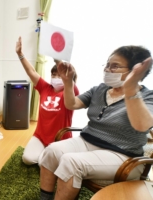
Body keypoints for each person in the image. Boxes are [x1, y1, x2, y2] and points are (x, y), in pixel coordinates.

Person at [39, 45, 153, 200]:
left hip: (122, 154)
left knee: (71, 162)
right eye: (107, 65)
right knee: (51, 151)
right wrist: (68, 82)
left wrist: (131, 89)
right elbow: (72, 104)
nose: (107, 70)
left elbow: (142, 125)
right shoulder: (100, 89)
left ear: (135, 71)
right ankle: (44, 198)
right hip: (87, 141)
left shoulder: (147, 96)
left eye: (115, 66)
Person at [15, 36, 79, 165]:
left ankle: (48, 155)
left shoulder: (70, 91)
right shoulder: (45, 88)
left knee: (43, 164)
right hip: (40, 136)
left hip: (60, 139)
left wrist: (57, 59)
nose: (55, 77)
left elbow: (69, 83)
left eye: (59, 75)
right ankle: (44, 152)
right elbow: (31, 71)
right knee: (27, 159)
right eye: (53, 75)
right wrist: (20, 54)